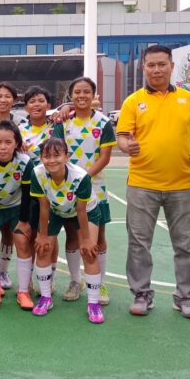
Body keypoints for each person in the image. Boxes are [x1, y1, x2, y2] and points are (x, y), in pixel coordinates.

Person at [115, 44, 190, 319]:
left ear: (171, 66)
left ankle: (186, 297)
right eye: (151, 65)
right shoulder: (133, 101)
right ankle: (141, 294)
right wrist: (125, 146)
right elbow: (122, 135)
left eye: (161, 64)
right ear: (143, 67)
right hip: (142, 183)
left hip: (182, 184)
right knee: (139, 243)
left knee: (186, 245)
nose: (156, 69)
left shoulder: (189, 100)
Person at [53, 77, 115, 304]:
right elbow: (58, 153)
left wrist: (84, 180)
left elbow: (105, 157)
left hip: (95, 189)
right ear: (71, 95)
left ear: (93, 95)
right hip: (68, 188)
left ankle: (101, 283)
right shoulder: (63, 122)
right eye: (77, 92)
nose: (81, 96)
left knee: (99, 237)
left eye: (86, 91)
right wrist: (74, 182)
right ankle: (75, 280)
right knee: (73, 235)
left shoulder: (104, 123)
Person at [31, 138, 105, 323]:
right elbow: (43, 207)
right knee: (42, 248)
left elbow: (80, 210)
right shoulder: (37, 173)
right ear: (41, 158)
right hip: (55, 209)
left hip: (86, 211)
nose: (52, 160)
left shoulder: (81, 177)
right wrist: (41, 235)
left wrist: (87, 240)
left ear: (67, 157)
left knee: (89, 252)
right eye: (47, 156)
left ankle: (93, 304)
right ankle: (46, 297)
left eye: (57, 155)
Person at [0, 120, 34, 310]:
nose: (3, 147)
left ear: (17, 143)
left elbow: (27, 193)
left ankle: (24, 292)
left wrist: (24, 221)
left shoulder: (25, 162)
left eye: (8, 142)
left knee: (22, 242)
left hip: (16, 208)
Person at [0, 82, 25, 290]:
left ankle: (3, 272)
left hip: (15, 182)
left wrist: (65, 108)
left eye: (7, 96)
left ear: (14, 100)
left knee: (10, 231)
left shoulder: (23, 122)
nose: (2, 100)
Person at [20, 85, 58, 293]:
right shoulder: (20, 130)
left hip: (54, 189)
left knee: (50, 234)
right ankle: (35, 274)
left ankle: (50, 275)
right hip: (29, 191)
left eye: (41, 100)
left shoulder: (57, 127)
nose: (37, 104)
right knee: (33, 234)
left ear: (49, 105)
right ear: (26, 106)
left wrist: (67, 106)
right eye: (32, 101)